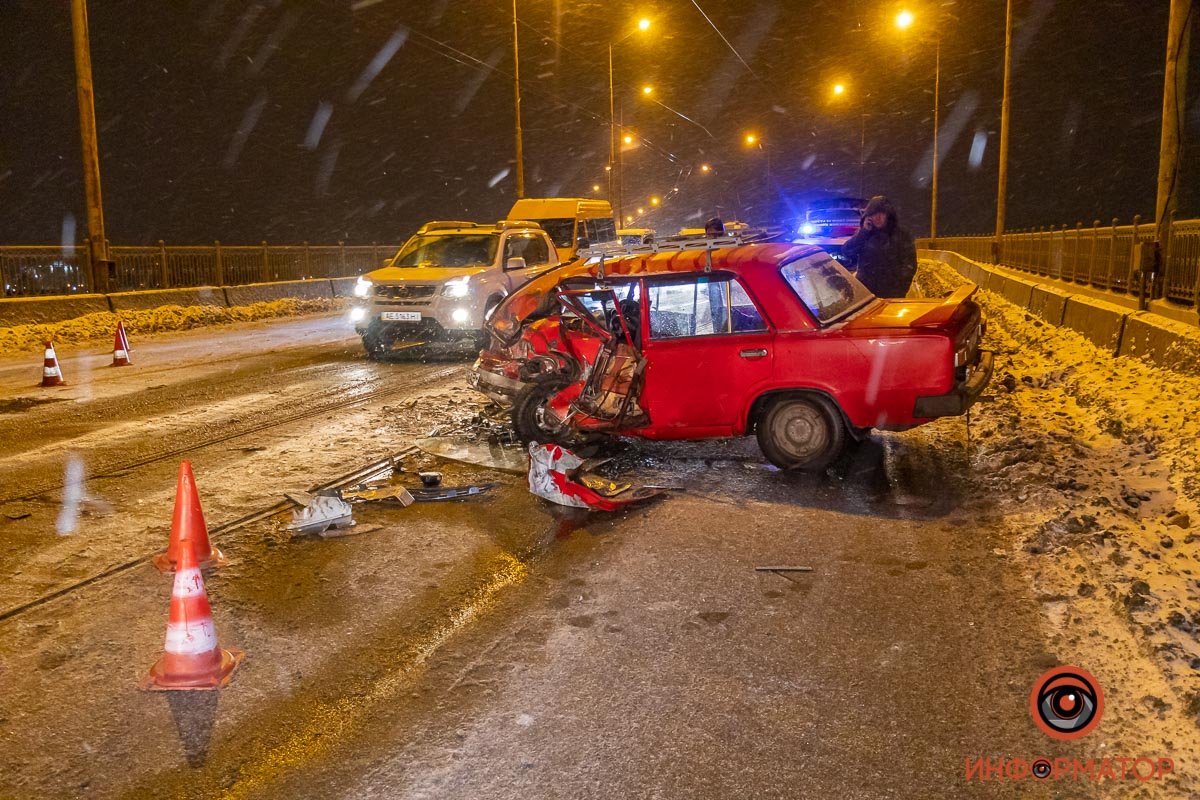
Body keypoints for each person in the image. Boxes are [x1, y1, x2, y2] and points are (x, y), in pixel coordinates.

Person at [842, 195, 917, 297]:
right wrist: (863, 232)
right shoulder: (865, 234)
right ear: (868, 216)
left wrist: (900, 289)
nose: (877, 217)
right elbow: (847, 252)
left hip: (892, 295)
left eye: (881, 213)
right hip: (866, 295)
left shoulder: (902, 235)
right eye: (873, 214)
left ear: (888, 215)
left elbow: (909, 265)